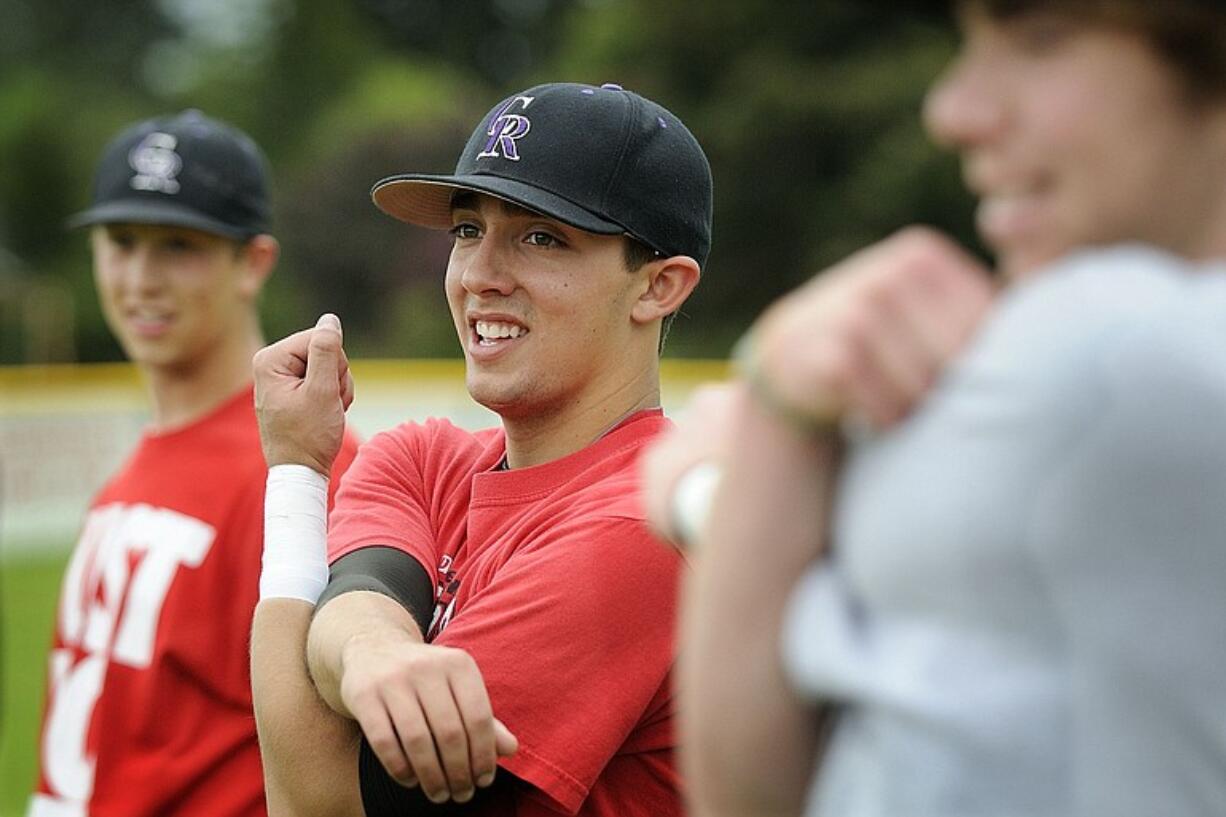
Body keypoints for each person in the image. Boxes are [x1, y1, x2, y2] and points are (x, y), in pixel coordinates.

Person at [643, 2, 1226, 816]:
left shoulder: (1099, 350)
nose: (953, 112)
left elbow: (752, 797)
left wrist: (736, 454)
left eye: (1040, 40)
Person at [249, 81, 712, 816]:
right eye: (468, 231)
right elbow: (360, 593)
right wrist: (372, 649)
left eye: (540, 236)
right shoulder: (421, 457)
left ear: (659, 286)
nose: (479, 275)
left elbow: (315, 801)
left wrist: (298, 471)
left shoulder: (643, 530)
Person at [28, 110, 359, 817]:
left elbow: (334, 774)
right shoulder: (139, 465)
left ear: (255, 262)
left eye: (179, 245)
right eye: (120, 241)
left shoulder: (305, 469)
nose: (142, 278)